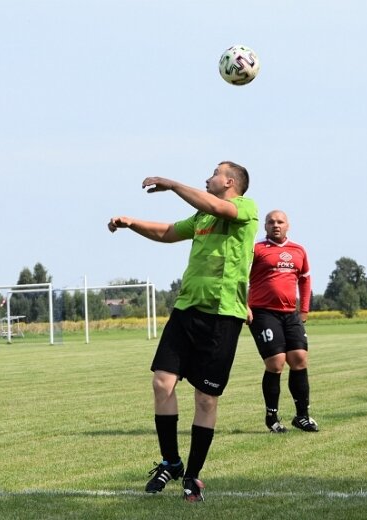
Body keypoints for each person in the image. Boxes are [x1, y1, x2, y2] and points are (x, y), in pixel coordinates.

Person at [107, 161, 258, 502]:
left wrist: (172, 184)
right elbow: (167, 232)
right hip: (186, 309)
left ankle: (192, 475)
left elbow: (217, 206)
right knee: (162, 382)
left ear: (230, 181)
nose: (208, 177)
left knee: (205, 398)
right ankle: (171, 462)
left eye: (214, 173)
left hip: (222, 315)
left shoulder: (244, 207)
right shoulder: (202, 218)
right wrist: (132, 223)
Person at [247, 210, 318, 433]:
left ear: (288, 225)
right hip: (262, 312)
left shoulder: (298, 250)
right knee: (276, 362)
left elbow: (305, 281)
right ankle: (272, 417)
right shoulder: (256, 249)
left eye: (280, 222)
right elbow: (239, 278)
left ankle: (302, 416)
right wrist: (243, 305)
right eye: (271, 222)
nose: (275, 225)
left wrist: (304, 309)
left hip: (290, 313)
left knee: (299, 358)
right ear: (265, 226)